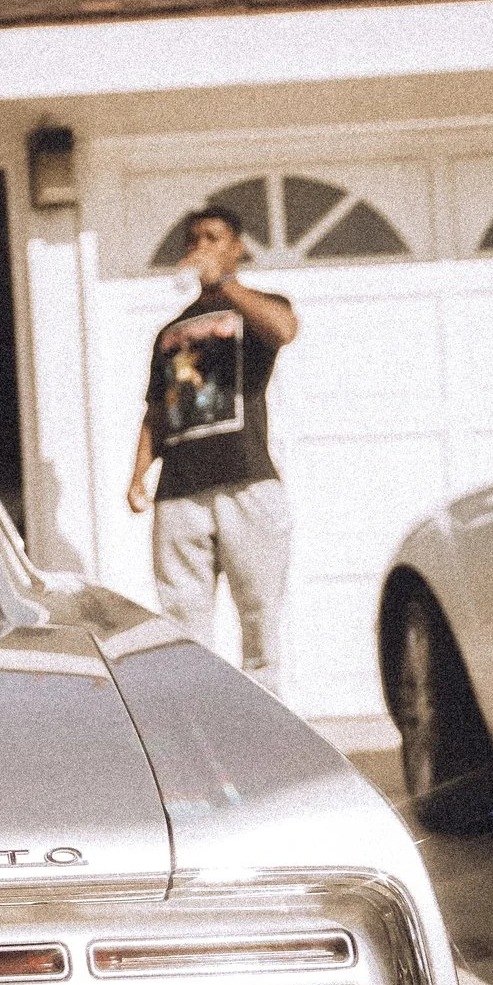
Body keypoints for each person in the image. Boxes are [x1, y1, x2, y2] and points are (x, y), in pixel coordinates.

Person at [126, 205, 300, 691]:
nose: (200, 246)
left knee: (260, 614)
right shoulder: (170, 332)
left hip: (248, 481)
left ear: (237, 246)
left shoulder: (258, 306)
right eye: (193, 239)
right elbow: (157, 411)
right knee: (183, 620)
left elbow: (284, 330)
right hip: (180, 491)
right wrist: (138, 474)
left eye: (213, 236)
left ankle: (266, 732)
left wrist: (225, 283)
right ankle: (200, 727)